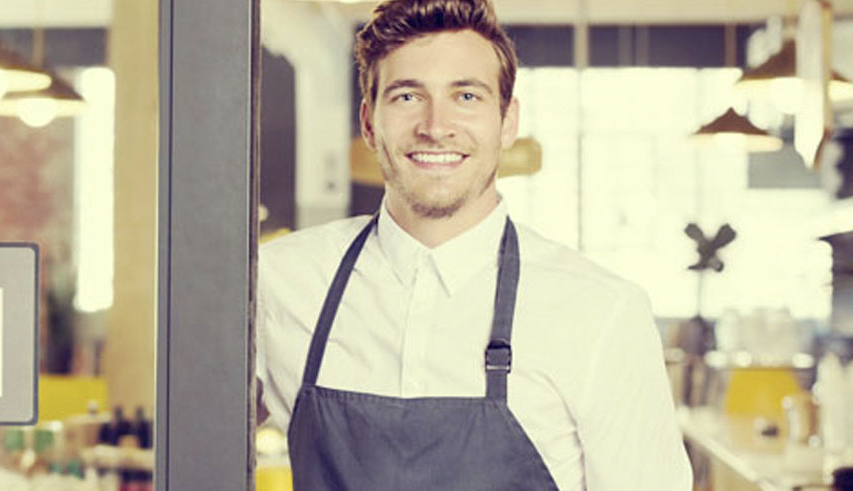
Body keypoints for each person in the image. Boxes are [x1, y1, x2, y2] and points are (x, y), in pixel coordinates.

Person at [256, 0, 693, 489]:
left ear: (507, 122)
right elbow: (200, 430)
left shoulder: (604, 312)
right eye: (406, 96)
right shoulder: (276, 282)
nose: (435, 125)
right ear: (369, 123)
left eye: (466, 96)